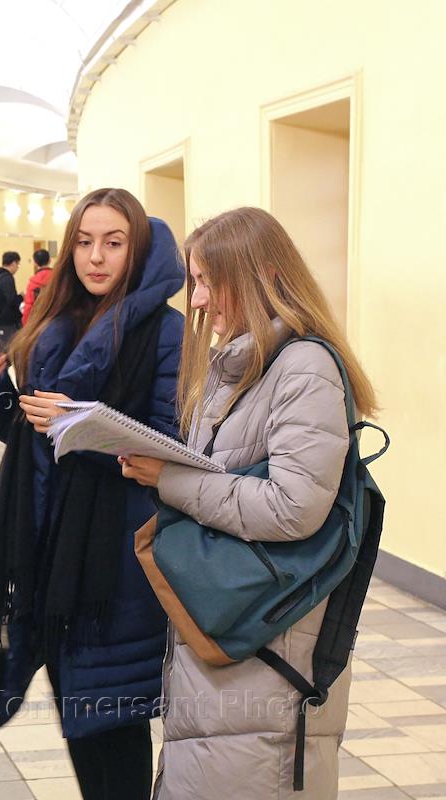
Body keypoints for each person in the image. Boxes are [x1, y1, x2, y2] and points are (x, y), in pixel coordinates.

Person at [119, 207, 377, 799]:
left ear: (263, 275)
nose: (198, 300)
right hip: (238, 631)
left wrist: (169, 480)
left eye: (209, 281)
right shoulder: (241, 361)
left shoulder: (304, 367)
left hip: (270, 643)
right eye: (195, 282)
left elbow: (292, 506)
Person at [0, 188, 185, 800]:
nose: (96, 257)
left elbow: (167, 444)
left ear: (137, 249)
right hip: (49, 553)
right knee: (81, 731)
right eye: (84, 242)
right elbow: (26, 435)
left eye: (113, 243)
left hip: (113, 560)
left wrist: (82, 425)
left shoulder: (166, 331)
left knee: (115, 728)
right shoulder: (54, 324)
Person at [0, 251, 24, 347]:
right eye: (18, 265)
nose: (17, 268)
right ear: (14, 263)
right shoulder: (7, 278)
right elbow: (11, 300)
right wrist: (21, 297)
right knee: (8, 348)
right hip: (6, 322)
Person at [21, 249, 54, 326]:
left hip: (39, 322)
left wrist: (26, 324)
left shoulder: (33, 283)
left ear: (35, 263)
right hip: (56, 319)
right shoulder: (58, 278)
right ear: (49, 260)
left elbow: (29, 306)